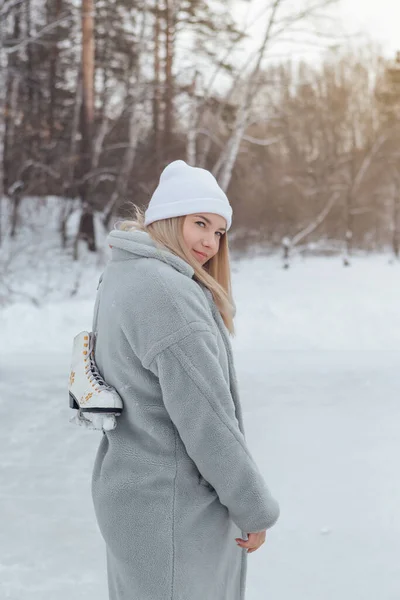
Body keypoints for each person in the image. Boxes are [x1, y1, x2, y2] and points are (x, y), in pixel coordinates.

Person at [90, 159, 280, 600]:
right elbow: (206, 420)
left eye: (218, 231)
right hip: (173, 507)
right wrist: (253, 508)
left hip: (131, 495)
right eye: (200, 223)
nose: (211, 242)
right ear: (167, 218)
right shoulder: (167, 293)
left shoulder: (121, 275)